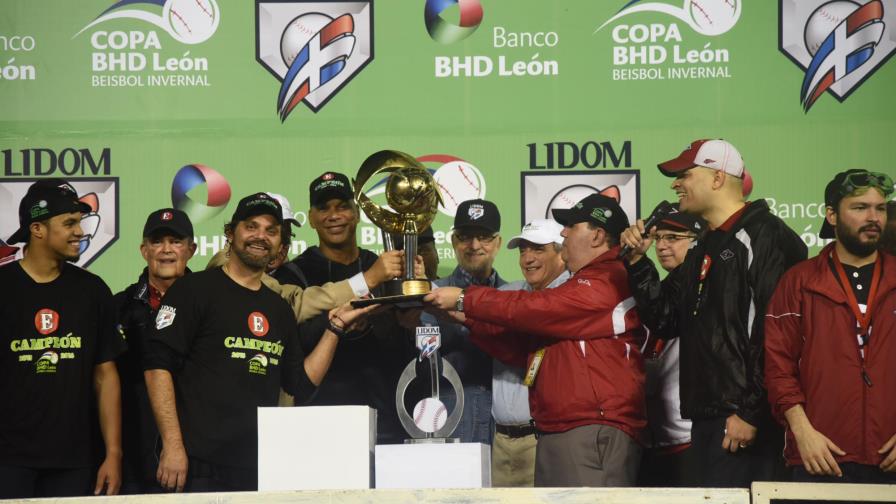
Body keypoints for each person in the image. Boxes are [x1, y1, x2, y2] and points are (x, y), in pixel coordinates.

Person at [143, 192, 379, 492]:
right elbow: (157, 366)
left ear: (280, 245)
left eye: (271, 230)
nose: (261, 237)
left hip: (261, 468)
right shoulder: (193, 290)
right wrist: (173, 445)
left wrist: (335, 329)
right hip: (197, 466)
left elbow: (300, 385)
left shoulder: (278, 308)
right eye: (251, 226)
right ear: (231, 233)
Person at [620, 139, 807, 487]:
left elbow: (775, 334)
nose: (676, 185)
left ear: (718, 178)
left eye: (685, 175)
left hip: (745, 420)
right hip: (707, 417)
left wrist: (751, 412)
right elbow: (666, 319)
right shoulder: (703, 245)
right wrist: (637, 263)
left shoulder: (765, 235)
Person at [426, 193, 646, 487]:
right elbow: (522, 349)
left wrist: (465, 298)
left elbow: (535, 308)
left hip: (591, 428)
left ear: (597, 235)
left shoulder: (606, 279)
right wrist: (462, 317)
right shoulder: (583, 283)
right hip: (562, 428)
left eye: (571, 227)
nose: (564, 233)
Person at [765, 169, 896, 484]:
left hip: (890, 460)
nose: (873, 217)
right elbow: (778, 367)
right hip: (818, 456)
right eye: (860, 207)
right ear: (831, 215)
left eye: (880, 208)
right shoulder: (798, 281)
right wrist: (802, 432)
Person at [0, 178, 126, 498]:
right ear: (37, 229)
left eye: (79, 222)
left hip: (76, 461)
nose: (80, 232)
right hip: (8, 459)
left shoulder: (93, 290)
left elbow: (105, 375)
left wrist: (113, 453)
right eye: (69, 223)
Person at [289, 171, 408, 444]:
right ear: (311, 218)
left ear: (356, 214)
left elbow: (400, 341)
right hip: (316, 420)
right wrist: (339, 321)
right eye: (324, 208)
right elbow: (291, 342)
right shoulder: (294, 273)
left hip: (383, 420)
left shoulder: (382, 265)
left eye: (342, 206)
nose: (334, 216)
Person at [114, 208, 196, 493]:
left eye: (175, 241)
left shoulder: (212, 303)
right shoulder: (118, 307)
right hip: (134, 451)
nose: (166, 250)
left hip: (198, 451)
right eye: (157, 241)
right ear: (144, 250)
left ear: (191, 249)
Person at [489, 219, 569, 487]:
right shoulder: (505, 294)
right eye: (523, 250)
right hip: (501, 441)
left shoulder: (571, 296)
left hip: (544, 438)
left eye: (538, 249)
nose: (528, 258)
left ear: (561, 253)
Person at [421, 198, 506, 445]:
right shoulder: (431, 295)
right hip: (450, 417)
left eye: (484, 237)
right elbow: (422, 362)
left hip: (505, 424)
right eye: (466, 237)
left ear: (498, 243)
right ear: (453, 241)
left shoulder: (513, 295)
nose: (475, 245)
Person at [636, 209, 704, 487]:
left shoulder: (706, 290)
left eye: (673, 238)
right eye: (659, 238)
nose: (662, 246)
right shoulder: (656, 291)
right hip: (651, 441)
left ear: (698, 241)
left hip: (691, 437)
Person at [263, 192, 306, 287]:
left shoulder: (298, 276)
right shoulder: (231, 273)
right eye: (271, 231)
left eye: (285, 232)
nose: (281, 242)